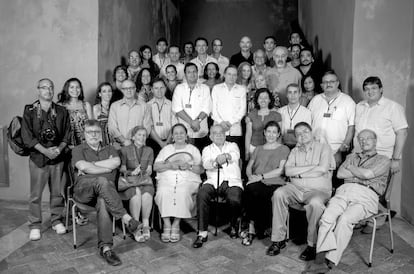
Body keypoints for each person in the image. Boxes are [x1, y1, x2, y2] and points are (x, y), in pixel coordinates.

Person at [306, 129, 391, 273]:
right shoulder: (352, 156)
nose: (364, 141)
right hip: (344, 191)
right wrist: (360, 174)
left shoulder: (383, 159)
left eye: (368, 138)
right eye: (361, 139)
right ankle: (319, 259)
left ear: (375, 141)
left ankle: (330, 260)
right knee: (327, 217)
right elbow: (340, 174)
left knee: (345, 219)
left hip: (367, 195)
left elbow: (368, 173)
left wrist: (351, 169)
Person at [71, 119, 141, 266]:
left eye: (97, 132)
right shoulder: (78, 149)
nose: (94, 135)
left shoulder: (110, 149)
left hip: (105, 194)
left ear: (101, 134)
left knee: (103, 200)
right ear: (84, 134)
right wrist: (104, 167)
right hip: (83, 191)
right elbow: (82, 165)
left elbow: (115, 163)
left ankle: (106, 248)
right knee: (102, 180)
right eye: (90, 132)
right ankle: (126, 218)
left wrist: (90, 167)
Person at [266, 122, 335, 260]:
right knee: (279, 194)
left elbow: (322, 169)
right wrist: (312, 168)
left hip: (318, 190)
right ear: (296, 138)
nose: (302, 135)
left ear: (311, 132)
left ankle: (312, 245)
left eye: (305, 132)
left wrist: (299, 173)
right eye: (298, 134)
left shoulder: (324, 148)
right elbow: (288, 171)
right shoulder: (294, 151)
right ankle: (278, 240)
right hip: (296, 188)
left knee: (315, 204)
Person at [354, 76, 408, 234]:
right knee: (359, 188)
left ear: (381, 89)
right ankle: (362, 217)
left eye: (374, 88)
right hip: (362, 156)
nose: (370, 92)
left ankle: (378, 219)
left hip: (383, 157)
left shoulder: (392, 107)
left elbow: (402, 132)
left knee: (378, 191)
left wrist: (396, 159)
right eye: (367, 89)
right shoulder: (360, 106)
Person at [21, 78, 71, 241]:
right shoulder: (30, 110)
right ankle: (35, 225)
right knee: (35, 195)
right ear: (38, 90)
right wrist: (45, 151)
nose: (48, 90)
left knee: (57, 192)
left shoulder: (62, 110)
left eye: (51, 88)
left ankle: (56, 220)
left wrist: (59, 149)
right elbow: (27, 137)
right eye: (44, 88)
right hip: (38, 158)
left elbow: (67, 134)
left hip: (57, 156)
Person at [193, 125, 243, 248]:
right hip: (213, 181)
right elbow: (206, 163)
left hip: (232, 181)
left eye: (221, 132)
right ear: (210, 136)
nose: (219, 135)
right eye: (215, 133)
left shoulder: (232, 145)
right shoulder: (207, 149)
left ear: (225, 134)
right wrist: (216, 162)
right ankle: (202, 232)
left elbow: (235, 156)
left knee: (234, 198)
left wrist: (225, 156)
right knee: (202, 194)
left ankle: (233, 225)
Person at [154, 123, 204, 242]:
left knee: (182, 191)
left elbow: (201, 169)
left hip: (187, 178)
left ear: (186, 135)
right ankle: (166, 223)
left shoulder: (193, 149)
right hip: (167, 177)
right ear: (172, 136)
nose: (179, 135)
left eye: (181, 133)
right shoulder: (166, 149)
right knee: (162, 191)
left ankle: (176, 223)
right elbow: (156, 166)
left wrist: (189, 166)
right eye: (176, 133)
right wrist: (170, 165)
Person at [243, 121, 290, 245]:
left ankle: (265, 227)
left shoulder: (283, 149)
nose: (271, 135)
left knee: (263, 193)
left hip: (275, 181)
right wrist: (250, 177)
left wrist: (261, 177)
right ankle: (252, 229)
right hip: (257, 180)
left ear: (278, 134)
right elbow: (249, 166)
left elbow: (281, 170)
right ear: (264, 133)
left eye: (274, 132)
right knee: (250, 189)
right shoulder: (258, 149)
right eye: (269, 131)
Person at [308, 70, 355, 169]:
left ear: (337, 83)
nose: (328, 84)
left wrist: (342, 149)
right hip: (315, 149)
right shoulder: (315, 100)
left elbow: (352, 127)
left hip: (336, 151)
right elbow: (307, 124)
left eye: (332, 81)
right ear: (321, 85)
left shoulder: (347, 101)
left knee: (334, 181)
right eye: (325, 82)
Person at [119, 126, 154, 242]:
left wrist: (147, 171)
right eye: (139, 135)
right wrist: (131, 172)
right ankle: (135, 227)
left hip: (144, 180)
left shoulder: (149, 150)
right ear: (133, 137)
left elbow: (150, 169)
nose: (142, 137)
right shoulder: (124, 150)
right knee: (137, 193)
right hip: (130, 182)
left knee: (147, 193)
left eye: (144, 135)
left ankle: (145, 223)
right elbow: (122, 169)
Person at [172, 62, 212, 151]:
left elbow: (207, 108)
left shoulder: (205, 88)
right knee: (185, 159)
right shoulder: (179, 88)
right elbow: (177, 109)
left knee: (201, 159)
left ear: (197, 73)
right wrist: (192, 122)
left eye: (194, 71)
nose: (192, 74)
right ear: (185, 74)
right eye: (189, 72)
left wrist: (197, 121)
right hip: (184, 133)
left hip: (201, 131)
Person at [211, 65, 247, 152]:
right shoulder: (216, 88)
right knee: (218, 154)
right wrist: (221, 123)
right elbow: (213, 109)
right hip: (218, 129)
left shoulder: (241, 89)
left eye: (234, 75)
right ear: (224, 74)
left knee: (234, 155)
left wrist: (230, 123)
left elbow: (242, 110)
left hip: (235, 129)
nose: (231, 77)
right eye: (229, 74)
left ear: (237, 76)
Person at [108, 80, 152, 148]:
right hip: (119, 146)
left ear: (135, 89)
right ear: (122, 90)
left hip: (138, 146)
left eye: (131, 88)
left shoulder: (144, 106)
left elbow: (147, 128)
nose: (128, 90)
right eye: (125, 88)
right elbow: (112, 127)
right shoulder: (114, 106)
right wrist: (124, 141)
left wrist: (137, 141)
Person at [245, 88, 281, 160]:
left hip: (271, 148)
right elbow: (248, 135)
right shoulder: (251, 115)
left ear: (270, 100)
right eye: (260, 98)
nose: (263, 100)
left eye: (266, 98)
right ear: (257, 100)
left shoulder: (276, 115)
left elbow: (279, 135)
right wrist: (247, 152)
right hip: (254, 148)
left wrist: (278, 150)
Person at [57, 77, 93, 147]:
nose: (75, 90)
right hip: (66, 144)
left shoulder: (86, 105)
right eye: (72, 87)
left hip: (85, 143)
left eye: (77, 87)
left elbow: (91, 126)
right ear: (67, 89)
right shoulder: (60, 106)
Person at [147, 78, 177, 154]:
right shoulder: (147, 106)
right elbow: (149, 127)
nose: (159, 91)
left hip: (170, 141)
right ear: (152, 90)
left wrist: (167, 142)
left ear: (165, 88)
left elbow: (174, 125)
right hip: (153, 142)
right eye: (156, 88)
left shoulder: (172, 104)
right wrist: (161, 143)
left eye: (162, 88)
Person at [278, 84, 311, 149]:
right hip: (283, 145)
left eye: (295, 92)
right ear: (286, 95)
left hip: (300, 146)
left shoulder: (306, 112)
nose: (292, 95)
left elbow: (307, 133)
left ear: (299, 94)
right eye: (290, 92)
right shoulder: (280, 111)